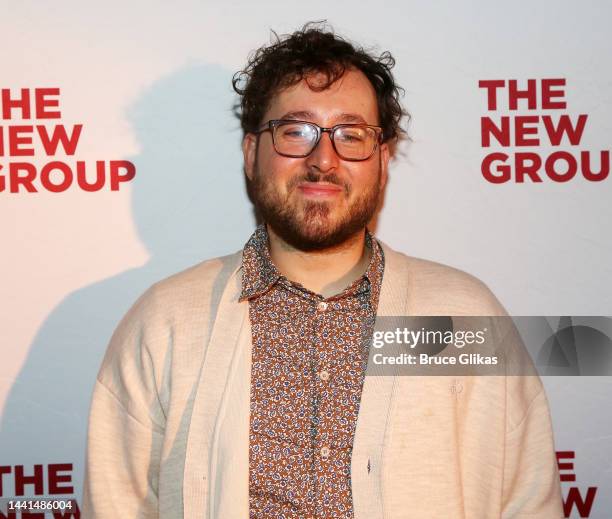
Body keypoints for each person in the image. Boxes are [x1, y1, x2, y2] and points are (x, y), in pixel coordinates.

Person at [83, 23, 563, 518]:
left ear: (382, 158)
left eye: (351, 135)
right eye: (296, 132)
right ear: (252, 154)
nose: (323, 159)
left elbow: (528, 500)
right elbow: (118, 502)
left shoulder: (463, 316)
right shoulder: (166, 324)